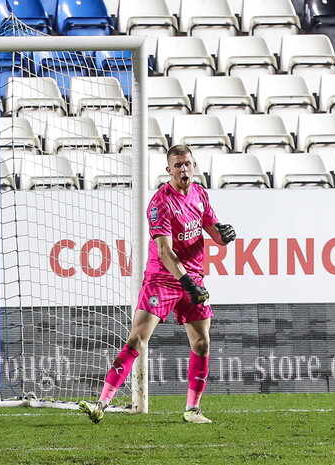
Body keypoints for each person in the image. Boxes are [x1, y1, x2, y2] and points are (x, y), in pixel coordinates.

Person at [79, 145, 236, 424]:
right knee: (137, 339)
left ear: (194, 166)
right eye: (178, 165)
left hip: (193, 276)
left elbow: (215, 233)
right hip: (163, 278)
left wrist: (225, 236)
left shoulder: (200, 194)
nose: (183, 169)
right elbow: (164, 251)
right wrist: (188, 284)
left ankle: (192, 410)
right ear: (169, 170)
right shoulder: (160, 203)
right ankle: (101, 403)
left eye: (187, 164)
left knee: (202, 343)